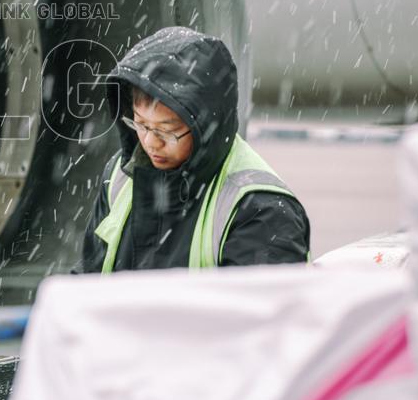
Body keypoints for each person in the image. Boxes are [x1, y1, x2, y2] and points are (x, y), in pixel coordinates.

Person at [80, 27, 310, 273]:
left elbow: (257, 308)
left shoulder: (262, 210)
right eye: (141, 124)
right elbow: (86, 282)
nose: (150, 142)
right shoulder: (120, 175)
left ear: (205, 127)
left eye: (166, 131)